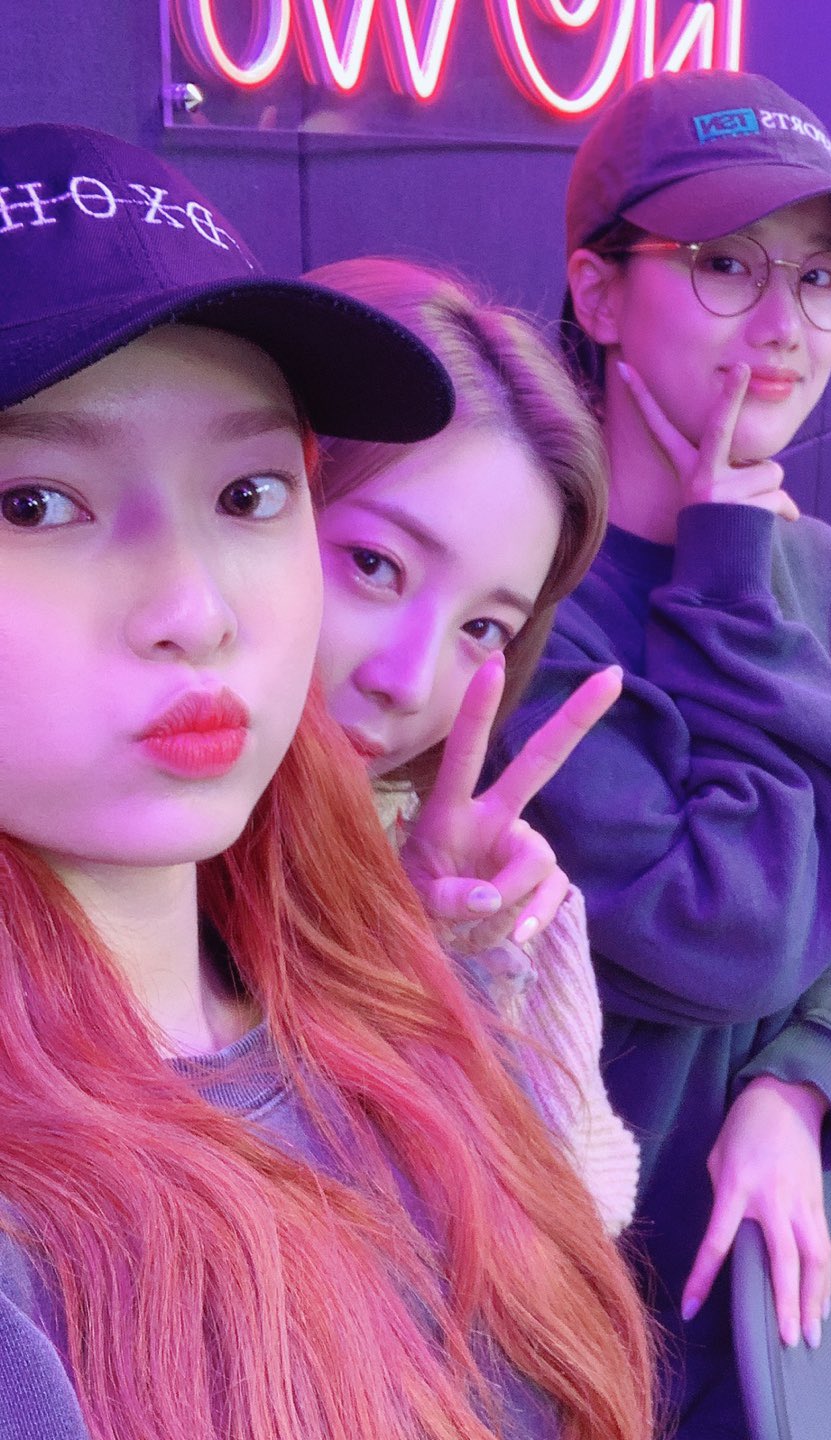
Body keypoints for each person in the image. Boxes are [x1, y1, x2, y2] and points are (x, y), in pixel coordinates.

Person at [0, 123, 653, 1439]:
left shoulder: (365, 975)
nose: (196, 609)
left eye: (247, 495)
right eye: (36, 505)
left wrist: (453, 977)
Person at [494, 68, 831, 1434]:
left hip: (810, 1300)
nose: (784, 325)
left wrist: (801, 1085)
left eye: (819, 279)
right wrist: (725, 575)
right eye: (725, 265)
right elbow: (732, 934)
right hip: (591, 1307)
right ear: (597, 294)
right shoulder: (521, 602)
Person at [306, 256, 640, 1235]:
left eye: (482, 628)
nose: (409, 681)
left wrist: (437, 962)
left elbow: (580, 1215)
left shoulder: (444, 878)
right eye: (375, 566)